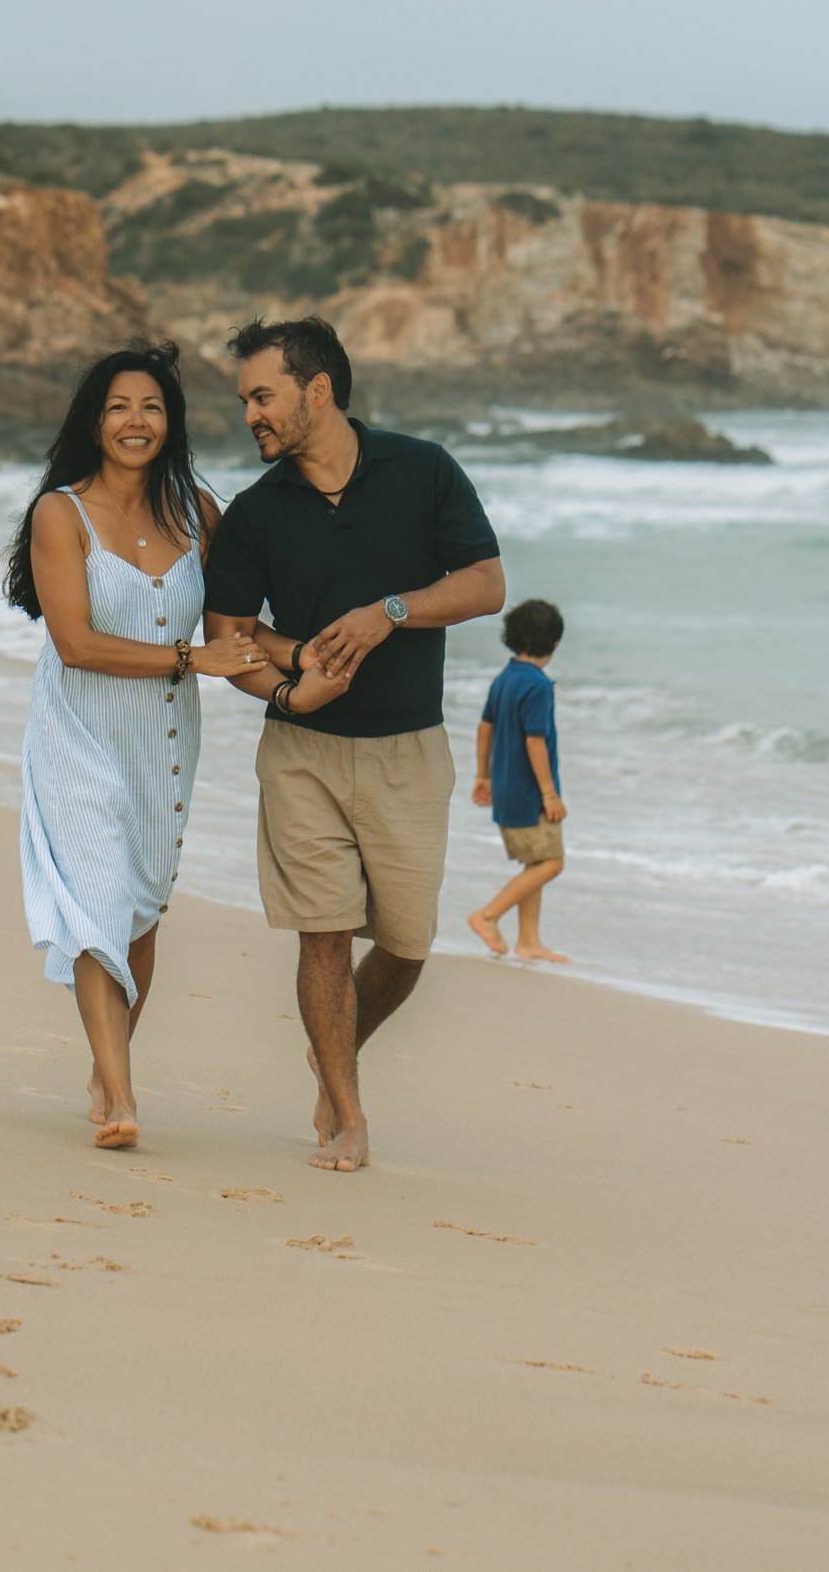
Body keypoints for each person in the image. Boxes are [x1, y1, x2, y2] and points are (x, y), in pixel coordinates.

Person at [203, 317, 505, 1174]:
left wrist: (391, 612)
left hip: (408, 749)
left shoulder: (424, 470)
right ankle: (346, 1110)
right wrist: (293, 683)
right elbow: (228, 638)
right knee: (324, 935)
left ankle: (332, 1051)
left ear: (318, 390)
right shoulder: (257, 515)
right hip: (302, 751)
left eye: (263, 396)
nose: (251, 415)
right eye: (245, 400)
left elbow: (486, 584)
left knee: (406, 945)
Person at [7, 342, 326, 1151]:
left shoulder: (198, 511)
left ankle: (105, 1064)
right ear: (94, 420)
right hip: (78, 726)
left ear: (171, 422)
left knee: (142, 909)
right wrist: (193, 659)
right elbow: (76, 644)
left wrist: (307, 654)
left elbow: (233, 631)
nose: (136, 421)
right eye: (119, 407)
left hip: (165, 733)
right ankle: (119, 1094)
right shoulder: (60, 513)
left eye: (151, 407)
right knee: (97, 900)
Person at [468, 599, 570, 963]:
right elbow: (535, 741)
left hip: (507, 787)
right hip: (530, 794)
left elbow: (484, 727)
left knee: (535, 861)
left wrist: (482, 775)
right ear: (554, 643)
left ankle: (529, 941)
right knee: (552, 863)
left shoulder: (505, 678)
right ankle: (488, 915)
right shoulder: (538, 685)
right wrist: (550, 794)